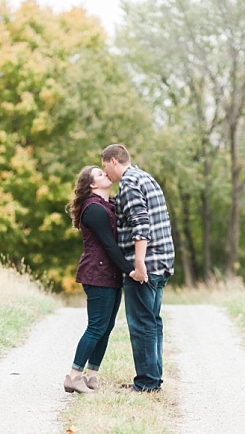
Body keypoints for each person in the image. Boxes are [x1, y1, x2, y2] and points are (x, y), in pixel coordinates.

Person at [63, 165, 145, 394]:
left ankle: (91, 376)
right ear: (92, 185)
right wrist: (130, 269)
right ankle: (73, 375)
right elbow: (109, 245)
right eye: (99, 174)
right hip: (97, 274)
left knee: (106, 327)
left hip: (109, 275)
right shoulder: (94, 210)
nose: (105, 174)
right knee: (96, 326)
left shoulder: (108, 205)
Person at [100, 144, 175, 393]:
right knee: (152, 322)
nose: (106, 174)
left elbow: (141, 223)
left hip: (146, 265)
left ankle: (146, 383)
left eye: (104, 168)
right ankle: (152, 378)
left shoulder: (129, 184)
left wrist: (139, 263)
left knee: (141, 323)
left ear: (113, 161)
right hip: (163, 261)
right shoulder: (145, 177)